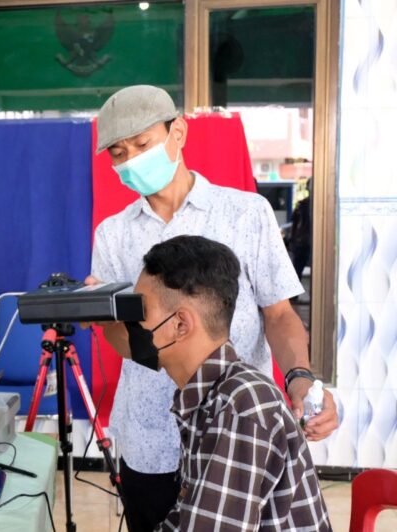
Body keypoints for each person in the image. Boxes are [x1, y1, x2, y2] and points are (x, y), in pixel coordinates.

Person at [89, 85, 338, 531]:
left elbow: (278, 314)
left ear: (178, 132)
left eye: (142, 145)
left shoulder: (246, 213)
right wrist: (106, 317)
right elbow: (118, 335)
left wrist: (299, 376)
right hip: (151, 438)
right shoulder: (114, 234)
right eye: (118, 153)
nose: (130, 161)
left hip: (234, 429)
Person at [131, 235, 330, 531]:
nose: (130, 326)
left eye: (139, 313)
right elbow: (188, 514)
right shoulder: (208, 395)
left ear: (180, 325)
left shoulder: (241, 407)